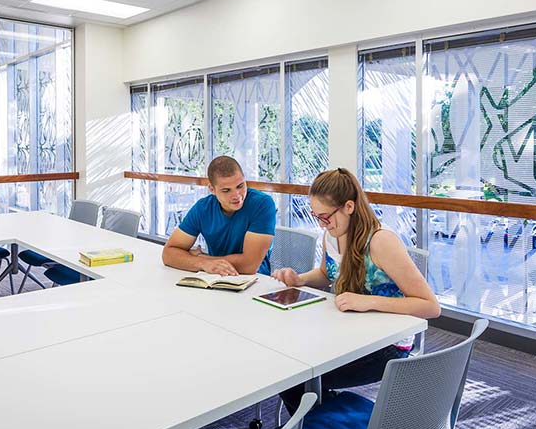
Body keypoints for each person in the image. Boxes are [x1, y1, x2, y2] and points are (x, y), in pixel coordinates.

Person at [271, 167, 439, 414]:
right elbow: (326, 274)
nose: (322, 224)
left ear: (349, 207)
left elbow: (430, 306)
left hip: (386, 346)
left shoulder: (381, 241)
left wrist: (367, 301)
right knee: (288, 361)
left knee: (294, 379)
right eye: (317, 217)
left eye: (325, 217)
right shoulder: (332, 235)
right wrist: (299, 279)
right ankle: (324, 421)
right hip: (347, 332)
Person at [162, 155, 276, 276]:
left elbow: (249, 265)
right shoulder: (203, 208)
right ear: (212, 189)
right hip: (215, 278)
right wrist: (203, 263)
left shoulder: (262, 204)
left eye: (240, 186)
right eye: (226, 190)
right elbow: (168, 254)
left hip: (256, 280)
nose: (236, 195)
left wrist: (201, 257)